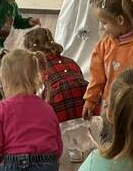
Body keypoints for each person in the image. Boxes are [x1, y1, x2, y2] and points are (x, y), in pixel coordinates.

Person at [23, 27, 90, 162]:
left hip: (60, 105)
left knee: (41, 110)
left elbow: (34, 93)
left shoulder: (37, 67)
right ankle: (76, 149)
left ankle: (48, 148)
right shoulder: (70, 60)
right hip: (85, 104)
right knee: (74, 125)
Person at [82, 0, 133, 123]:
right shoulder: (103, 45)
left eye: (104, 23)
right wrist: (89, 101)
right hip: (108, 107)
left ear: (120, 20)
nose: (102, 28)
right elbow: (96, 77)